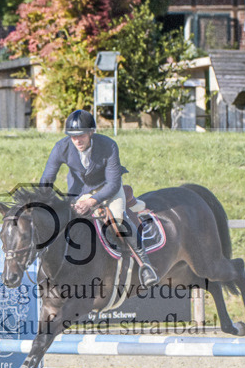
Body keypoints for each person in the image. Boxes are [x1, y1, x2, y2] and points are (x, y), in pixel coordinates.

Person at [40, 109, 157, 287]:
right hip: (81, 191)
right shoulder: (61, 147)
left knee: (118, 218)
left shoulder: (109, 145)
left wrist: (91, 202)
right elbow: (47, 179)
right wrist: (42, 199)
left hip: (108, 187)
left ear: (91, 132)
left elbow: (113, 184)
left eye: (81, 135)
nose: (77, 140)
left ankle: (145, 264)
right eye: (73, 136)